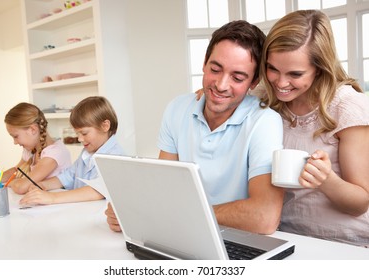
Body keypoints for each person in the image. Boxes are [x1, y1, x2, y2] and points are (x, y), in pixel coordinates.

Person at [106, 20, 285, 234]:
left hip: (237, 237)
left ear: (254, 82)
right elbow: (164, 185)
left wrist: (181, 214)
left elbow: (263, 217)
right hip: (182, 230)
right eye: (215, 69)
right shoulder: (177, 108)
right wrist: (130, 207)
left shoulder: (265, 121)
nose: (220, 85)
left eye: (237, 77)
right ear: (204, 63)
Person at [258, 10, 369, 247]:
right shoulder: (267, 98)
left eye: (295, 74)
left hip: (344, 244)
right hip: (285, 238)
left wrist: (326, 179)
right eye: (272, 68)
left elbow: (361, 202)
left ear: (319, 68)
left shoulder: (347, 106)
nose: (280, 82)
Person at [19, 96, 125, 205]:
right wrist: (43, 185)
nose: (80, 139)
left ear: (105, 126)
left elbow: (96, 191)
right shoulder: (87, 152)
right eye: (77, 134)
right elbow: (67, 176)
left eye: (84, 133)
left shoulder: (115, 156)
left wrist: (52, 198)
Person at [0, 102, 72, 194]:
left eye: (15, 136)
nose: (14, 142)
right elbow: (17, 171)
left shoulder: (54, 153)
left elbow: (22, 187)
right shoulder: (31, 150)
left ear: (33, 130)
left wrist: (10, 183)